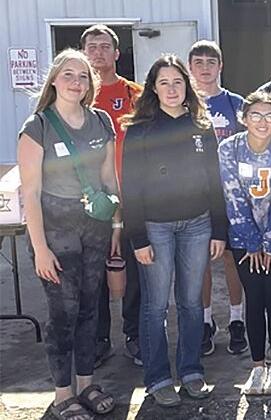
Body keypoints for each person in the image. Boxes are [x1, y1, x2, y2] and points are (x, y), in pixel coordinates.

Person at [120, 54, 227, 407]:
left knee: (191, 303)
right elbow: (130, 187)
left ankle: (192, 371)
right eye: (163, 82)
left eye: (177, 82)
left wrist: (218, 229)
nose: (171, 89)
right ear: (153, 87)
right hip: (156, 229)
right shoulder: (140, 128)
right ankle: (158, 377)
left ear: (187, 87)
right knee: (154, 306)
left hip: (197, 225)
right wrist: (138, 237)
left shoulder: (201, 126)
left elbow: (215, 181)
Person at [18, 48, 118, 420]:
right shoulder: (37, 127)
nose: (76, 82)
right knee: (63, 312)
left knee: (92, 307)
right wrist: (40, 248)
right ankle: (63, 394)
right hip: (55, 228)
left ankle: (87, 382)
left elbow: (109, 179)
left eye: (82, 76)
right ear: (54, 81)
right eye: (68, 75)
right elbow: (30, 193)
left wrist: (116, 226)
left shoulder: (101, 121)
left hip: (94, 227)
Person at [218, 91, 271, 395]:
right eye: (255, 115)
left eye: (269, 115)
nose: (262, 122)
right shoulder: (229, 148)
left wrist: (270, 241)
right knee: (255, 299)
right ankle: (256, 365)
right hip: (243, 239)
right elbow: (232, 194)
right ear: (244, 118)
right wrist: (252, 242)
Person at [80, 24, 144, 368]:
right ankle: (99, 337)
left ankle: (134, 334)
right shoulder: (76, 95)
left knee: (134, 268)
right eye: (92, 47)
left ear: (117, 54)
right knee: (94, 271)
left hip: (132, 195)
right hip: (91, 201)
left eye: (105, 47)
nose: (98, 53)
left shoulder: (135, 93)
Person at [188, 40, 248, 357]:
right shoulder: (182, 106)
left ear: (220, 66)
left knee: (232, 258)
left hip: (232, 195)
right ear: (190, 67)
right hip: (197, 197)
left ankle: (237, 320)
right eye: (199, 62)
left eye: (211, 61)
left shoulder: (237, 104)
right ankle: (206, 321)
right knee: (200, 261)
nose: (205, 67)